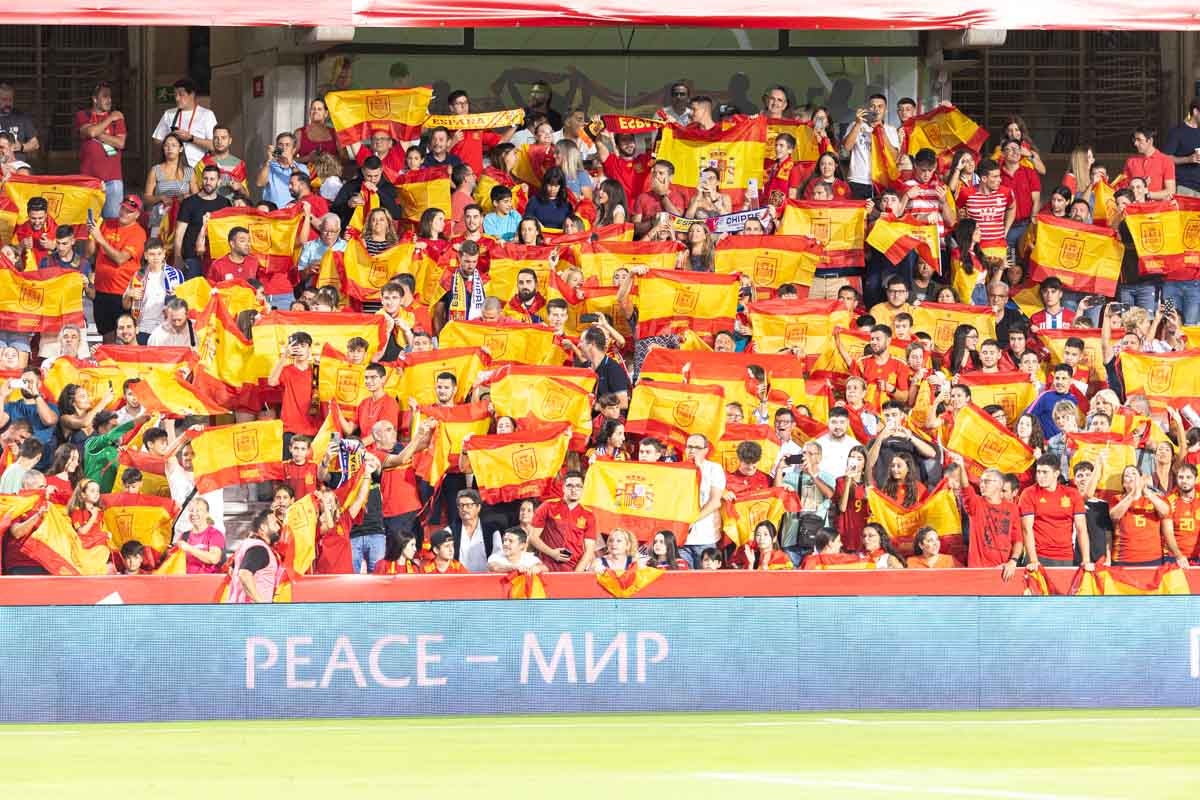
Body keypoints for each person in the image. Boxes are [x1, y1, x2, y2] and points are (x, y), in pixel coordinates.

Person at [88, 194, 148, 343]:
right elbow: (89, 253)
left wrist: (100, 239)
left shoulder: (138, 233)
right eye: (123, 208)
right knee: (106, 336)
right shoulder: (107, 224)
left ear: (137, 214)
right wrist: (91, 234)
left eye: (129, 211)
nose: (124, 213)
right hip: (101, 290)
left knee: (125, 337)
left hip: (122, 292)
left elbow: (120, 259)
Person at [1019, 454, 1092, 570]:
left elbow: (1081, 528)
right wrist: (1033, 560)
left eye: (1045, 472)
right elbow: (1026, 529)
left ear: (1056, 474)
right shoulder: (1028, 494)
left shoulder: (1072, 494)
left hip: (1065, 556)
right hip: (1038, 556)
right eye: (1038, 472)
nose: (1040, 476)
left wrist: (1086, 560)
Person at [76, 81, 126, 218]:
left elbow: (120, 143)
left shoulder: (118, 118)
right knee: (90, 225)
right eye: (105, 96)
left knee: (112, 222)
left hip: (113, 179)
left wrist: (97, 131)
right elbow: (90, 133)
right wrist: (110, 118)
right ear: (95, 99)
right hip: (89, 179)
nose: (109, 100)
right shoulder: (83, 115)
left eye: (110, 97)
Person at [528, 471, 596, 572]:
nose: (574, 490)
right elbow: (532, 537)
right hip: (547, 566)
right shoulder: (547, 506)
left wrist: (577, 573)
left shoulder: (589, 514)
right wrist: (552, 553)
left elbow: (589, 550)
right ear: (563, 487)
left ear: (583, 489)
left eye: (578, 486)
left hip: (574, 568)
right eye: (570, 486)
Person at [173, 164, 230, 279]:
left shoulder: (225, 203)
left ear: (219, 182)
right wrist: (178, 258)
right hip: (192, 258)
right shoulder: (189, 202)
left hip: (217, 259)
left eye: (212, 179)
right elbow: (179, 233)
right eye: (205, 178)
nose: (208, 182)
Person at [123, 238, 184, 344]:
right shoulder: (138, 276)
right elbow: (125, 306)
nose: (156, 258)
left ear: (164, 254)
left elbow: (185, 305)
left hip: (166, 330)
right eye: (152, 254)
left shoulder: (176, 275)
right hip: (143, 329)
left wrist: (178, 296)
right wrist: (129, 295)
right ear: (146, 255)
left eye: (159, 253)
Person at [681, 434, 726, 570]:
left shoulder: (714, 469)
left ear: (706, 450)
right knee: (684, 583)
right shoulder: (677, 469)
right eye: (689, 447)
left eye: (697, 447)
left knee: (706, 584)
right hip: (682, 539)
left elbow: (715, 502)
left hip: (706, 538)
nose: (692, 450)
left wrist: (692, 520)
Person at [151, 78, 217, 167]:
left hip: (199, 168)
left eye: (181, 95)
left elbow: (214, 146)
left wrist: (191, 138)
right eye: (175, 95)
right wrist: (171, 138)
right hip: (174, 168)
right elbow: (157, 140)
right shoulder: (169, 114)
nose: (177, 98)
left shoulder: (206, 114)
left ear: (192, 94)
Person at [227, 510, 284, 603]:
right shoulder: (259, 548)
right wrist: (261, 603)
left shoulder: (247, 544)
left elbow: (232, 571)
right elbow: (244, 574)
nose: (278, 527)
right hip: (253, 613)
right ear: (263, 527)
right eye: (274, 523)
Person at [450, 488, 503, 573]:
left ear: (478, 507)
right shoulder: (450, 531)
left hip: (484, 580)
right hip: (458, 580)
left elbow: (498, 558)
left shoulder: (492, 531)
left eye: (468, 505)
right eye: (461, 505)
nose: (464, 509)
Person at [173, 496, 225, 575]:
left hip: (208, 582)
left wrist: (189, 548)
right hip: (187, 582)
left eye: (198, 510)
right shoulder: (184, 536)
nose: (194, 513)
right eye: (191, 510)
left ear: (207, 514)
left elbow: (214, 558)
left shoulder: (215, 534)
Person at [1123, 125, 1177, 200]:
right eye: (1134, 140)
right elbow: (1124, 188)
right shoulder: (1130, 161)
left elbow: (1171, 191)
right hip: (1134, 208)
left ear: (1150, 141)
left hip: (1157, 209)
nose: (1135, 143)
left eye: (1139, 140)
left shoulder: (1166, 161)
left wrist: (1146, 194)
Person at [1164, 98, 1200, 198]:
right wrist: (1188, 159)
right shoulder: (1177, 132)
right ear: (1195, 111)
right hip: (1185, 187)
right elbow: (1166, 158)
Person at [294, 98, 339, 164]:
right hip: (306, 173)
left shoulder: (335, 133)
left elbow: (344, 159)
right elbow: (289, 159)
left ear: (326, 113)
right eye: (313, 109)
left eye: (319, 109)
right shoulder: (299, 133)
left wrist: (328, 158)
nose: (316, 111)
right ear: (310, 112)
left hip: (330, 173)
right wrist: (307, 158)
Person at [0, 82, 38, 156]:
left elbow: (35, 144)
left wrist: (21, 147)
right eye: (4, 100)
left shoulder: (22, 117)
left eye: (10, 100)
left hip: (17, 164)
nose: (8, 103)